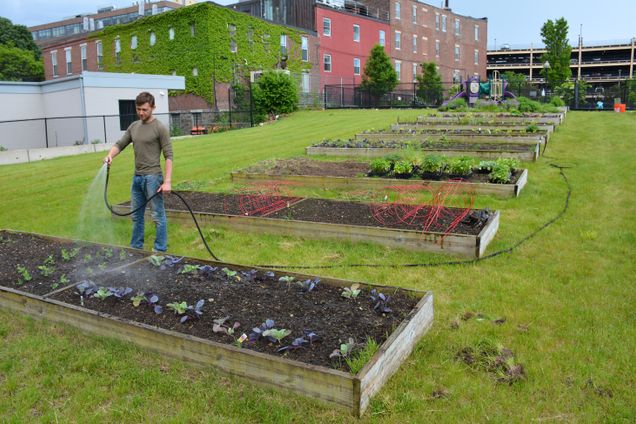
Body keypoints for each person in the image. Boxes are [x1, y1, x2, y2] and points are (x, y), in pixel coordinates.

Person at [104, 92, 173, 252]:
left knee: (157, 215)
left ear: (153, 108)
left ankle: (160, 250)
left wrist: (167, 181)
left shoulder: (159, 128)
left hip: (153, 178)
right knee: (136, 216)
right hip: (137, 178)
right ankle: (136, 249)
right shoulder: (134, 127)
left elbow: (169, 155)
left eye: (144, 109)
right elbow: (120, 144)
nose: (141, 113)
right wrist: (109, 156)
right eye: (138, 109)